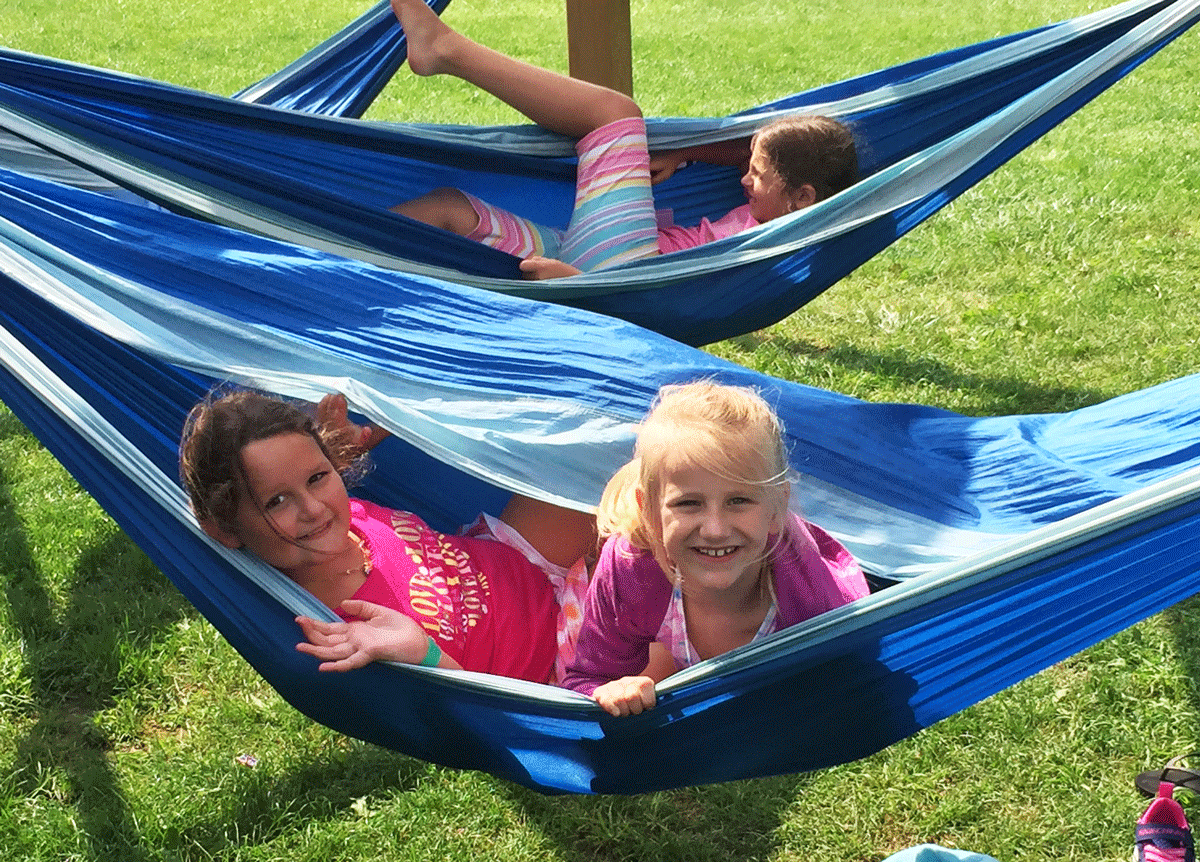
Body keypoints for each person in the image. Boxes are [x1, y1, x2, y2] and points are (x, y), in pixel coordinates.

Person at [389, 0, 858, 280]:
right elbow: (752, 147)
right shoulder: (781, 200)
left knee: (615, 115)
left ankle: (445, 49)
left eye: (756, 175)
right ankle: (317, 253)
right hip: (593, 250)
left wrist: (578, 286)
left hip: (617, 275)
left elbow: (683, 298)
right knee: (446, 207)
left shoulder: (771, 249)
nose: (743, 178)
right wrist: (688, 151)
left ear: (803, 197)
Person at [178, 388, 599, 685]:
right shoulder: (341, 631)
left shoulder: (339, 513)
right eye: (277, 502)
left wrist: (352, 442)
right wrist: (424, 654)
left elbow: (312, 477)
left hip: (515, 555)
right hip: (558, 659)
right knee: (648, 575)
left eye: (317, 477)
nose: (313, 508)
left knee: (605, 450)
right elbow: (487, 721)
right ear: (226, 529)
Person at [560, 380, 870, 716]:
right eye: (688, 503)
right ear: (649, 510)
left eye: (739, 500)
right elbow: (587, 677)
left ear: (776, 509)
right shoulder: (630, 567)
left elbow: (859, 682)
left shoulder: (816, 601)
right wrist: (613, 689)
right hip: (663, 603)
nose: (715, 530)